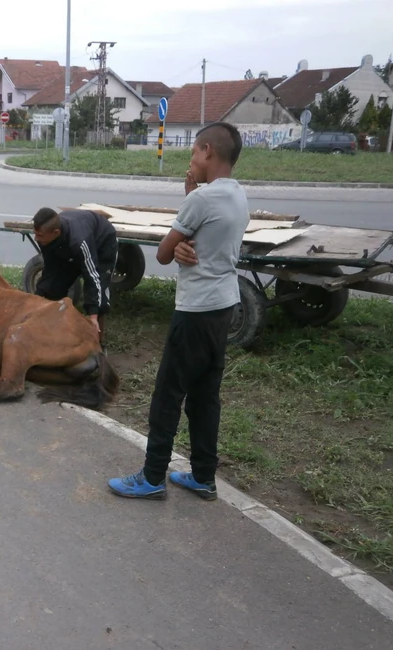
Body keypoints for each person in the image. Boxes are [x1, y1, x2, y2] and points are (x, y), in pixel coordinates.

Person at [107, 122, 249, 502]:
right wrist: (189, 223)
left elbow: (163, 254)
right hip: (223, 306)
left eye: (193, 153)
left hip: (195, 310)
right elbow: (206, 234)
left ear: (206, 150)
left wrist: (181, 237)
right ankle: (203, 476)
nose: (190, 162)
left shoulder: (201, 200)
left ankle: (152, 476)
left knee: (167, 395)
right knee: (205, 397)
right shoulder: (237, 194)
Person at [31, 207, 118, 346]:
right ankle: (55, 332)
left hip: (102, 244)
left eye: (39, 235)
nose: (36, 238)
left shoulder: (79, 241)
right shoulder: (45, 238)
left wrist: (93, 315)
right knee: (53, 288)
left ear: (56, 233)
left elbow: (92, 275)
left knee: (99, 296)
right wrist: (38, 296)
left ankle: (98, 344)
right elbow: (51, 269)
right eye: (35, 234)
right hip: (72, 247)